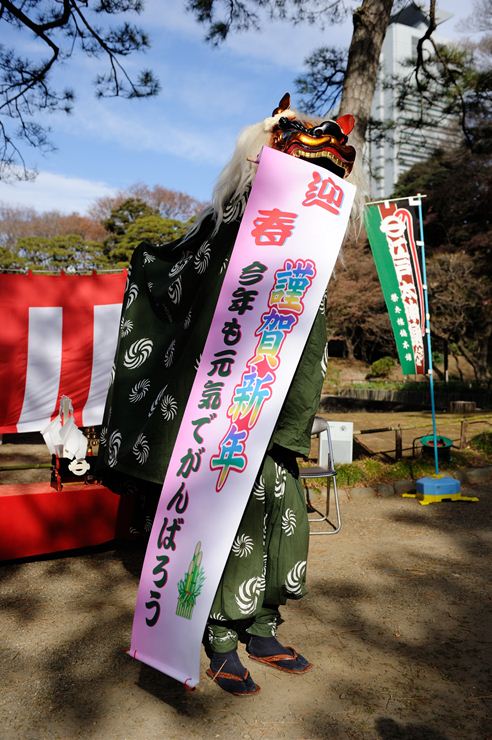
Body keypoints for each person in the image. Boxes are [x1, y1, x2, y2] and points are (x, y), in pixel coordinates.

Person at [98, 93, 356, 696]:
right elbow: (186, 287)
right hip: (225, 408)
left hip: (277, 403)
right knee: (225, 519)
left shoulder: (313, 243)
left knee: (279, 517)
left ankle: (262, 624)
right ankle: (215, 636)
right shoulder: (229, 225)